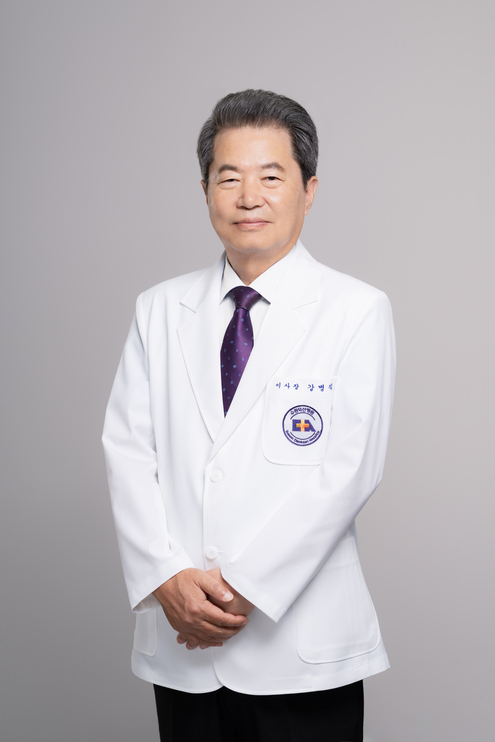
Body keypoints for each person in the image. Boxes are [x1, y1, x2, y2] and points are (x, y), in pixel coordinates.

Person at [102, 89, 396, 742]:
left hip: (303, 649)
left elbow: (349, 470)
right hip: (184, 641)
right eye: (228, 177)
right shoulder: (159, 309)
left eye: (271, 177)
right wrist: (166, 578)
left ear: (309, 190)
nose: (248, 197)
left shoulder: (356, 310)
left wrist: (244, 588)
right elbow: (127, 451)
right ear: (206, 190)